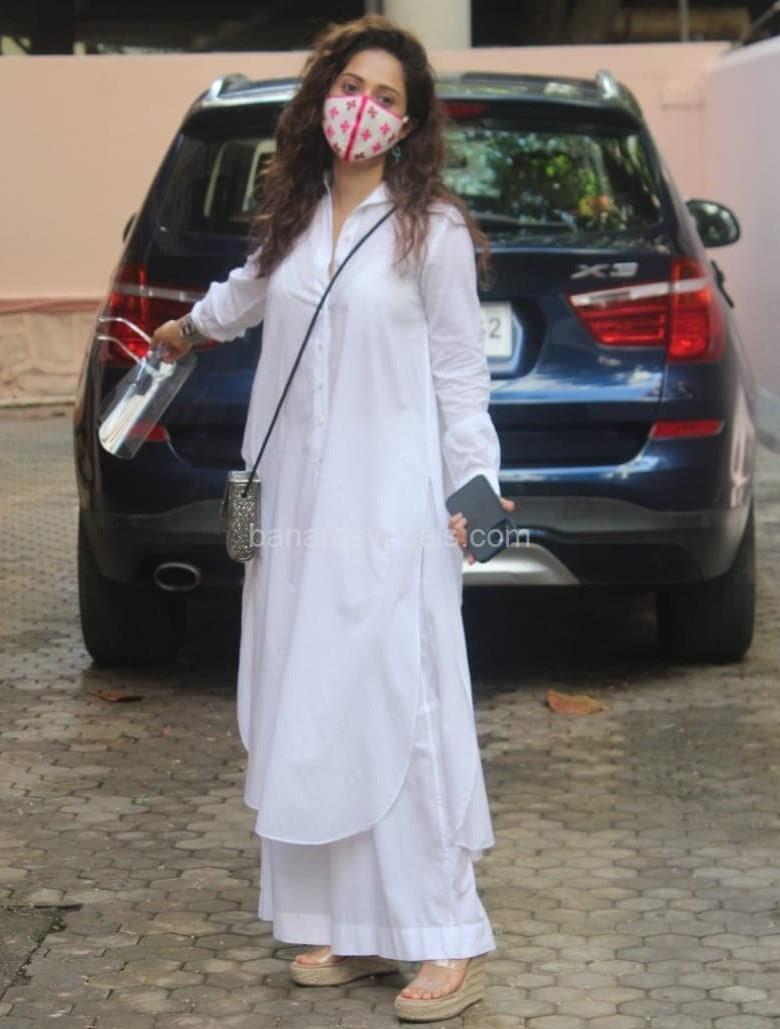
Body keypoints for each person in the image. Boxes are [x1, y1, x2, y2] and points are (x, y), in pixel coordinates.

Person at [152, 13, 515, 1023]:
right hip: (298, 514)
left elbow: (460, 376)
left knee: (404, 704)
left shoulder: (431, 231)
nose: (367, 107)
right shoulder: (297, 217)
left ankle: (446, 934)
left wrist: (475, 488)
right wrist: (184, 330)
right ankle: (356, 925)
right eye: (354, 87)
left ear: (411, 122)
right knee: (314, 706)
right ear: (323, 98)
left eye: (388, 96)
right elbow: (247, 295)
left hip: (392, 510)